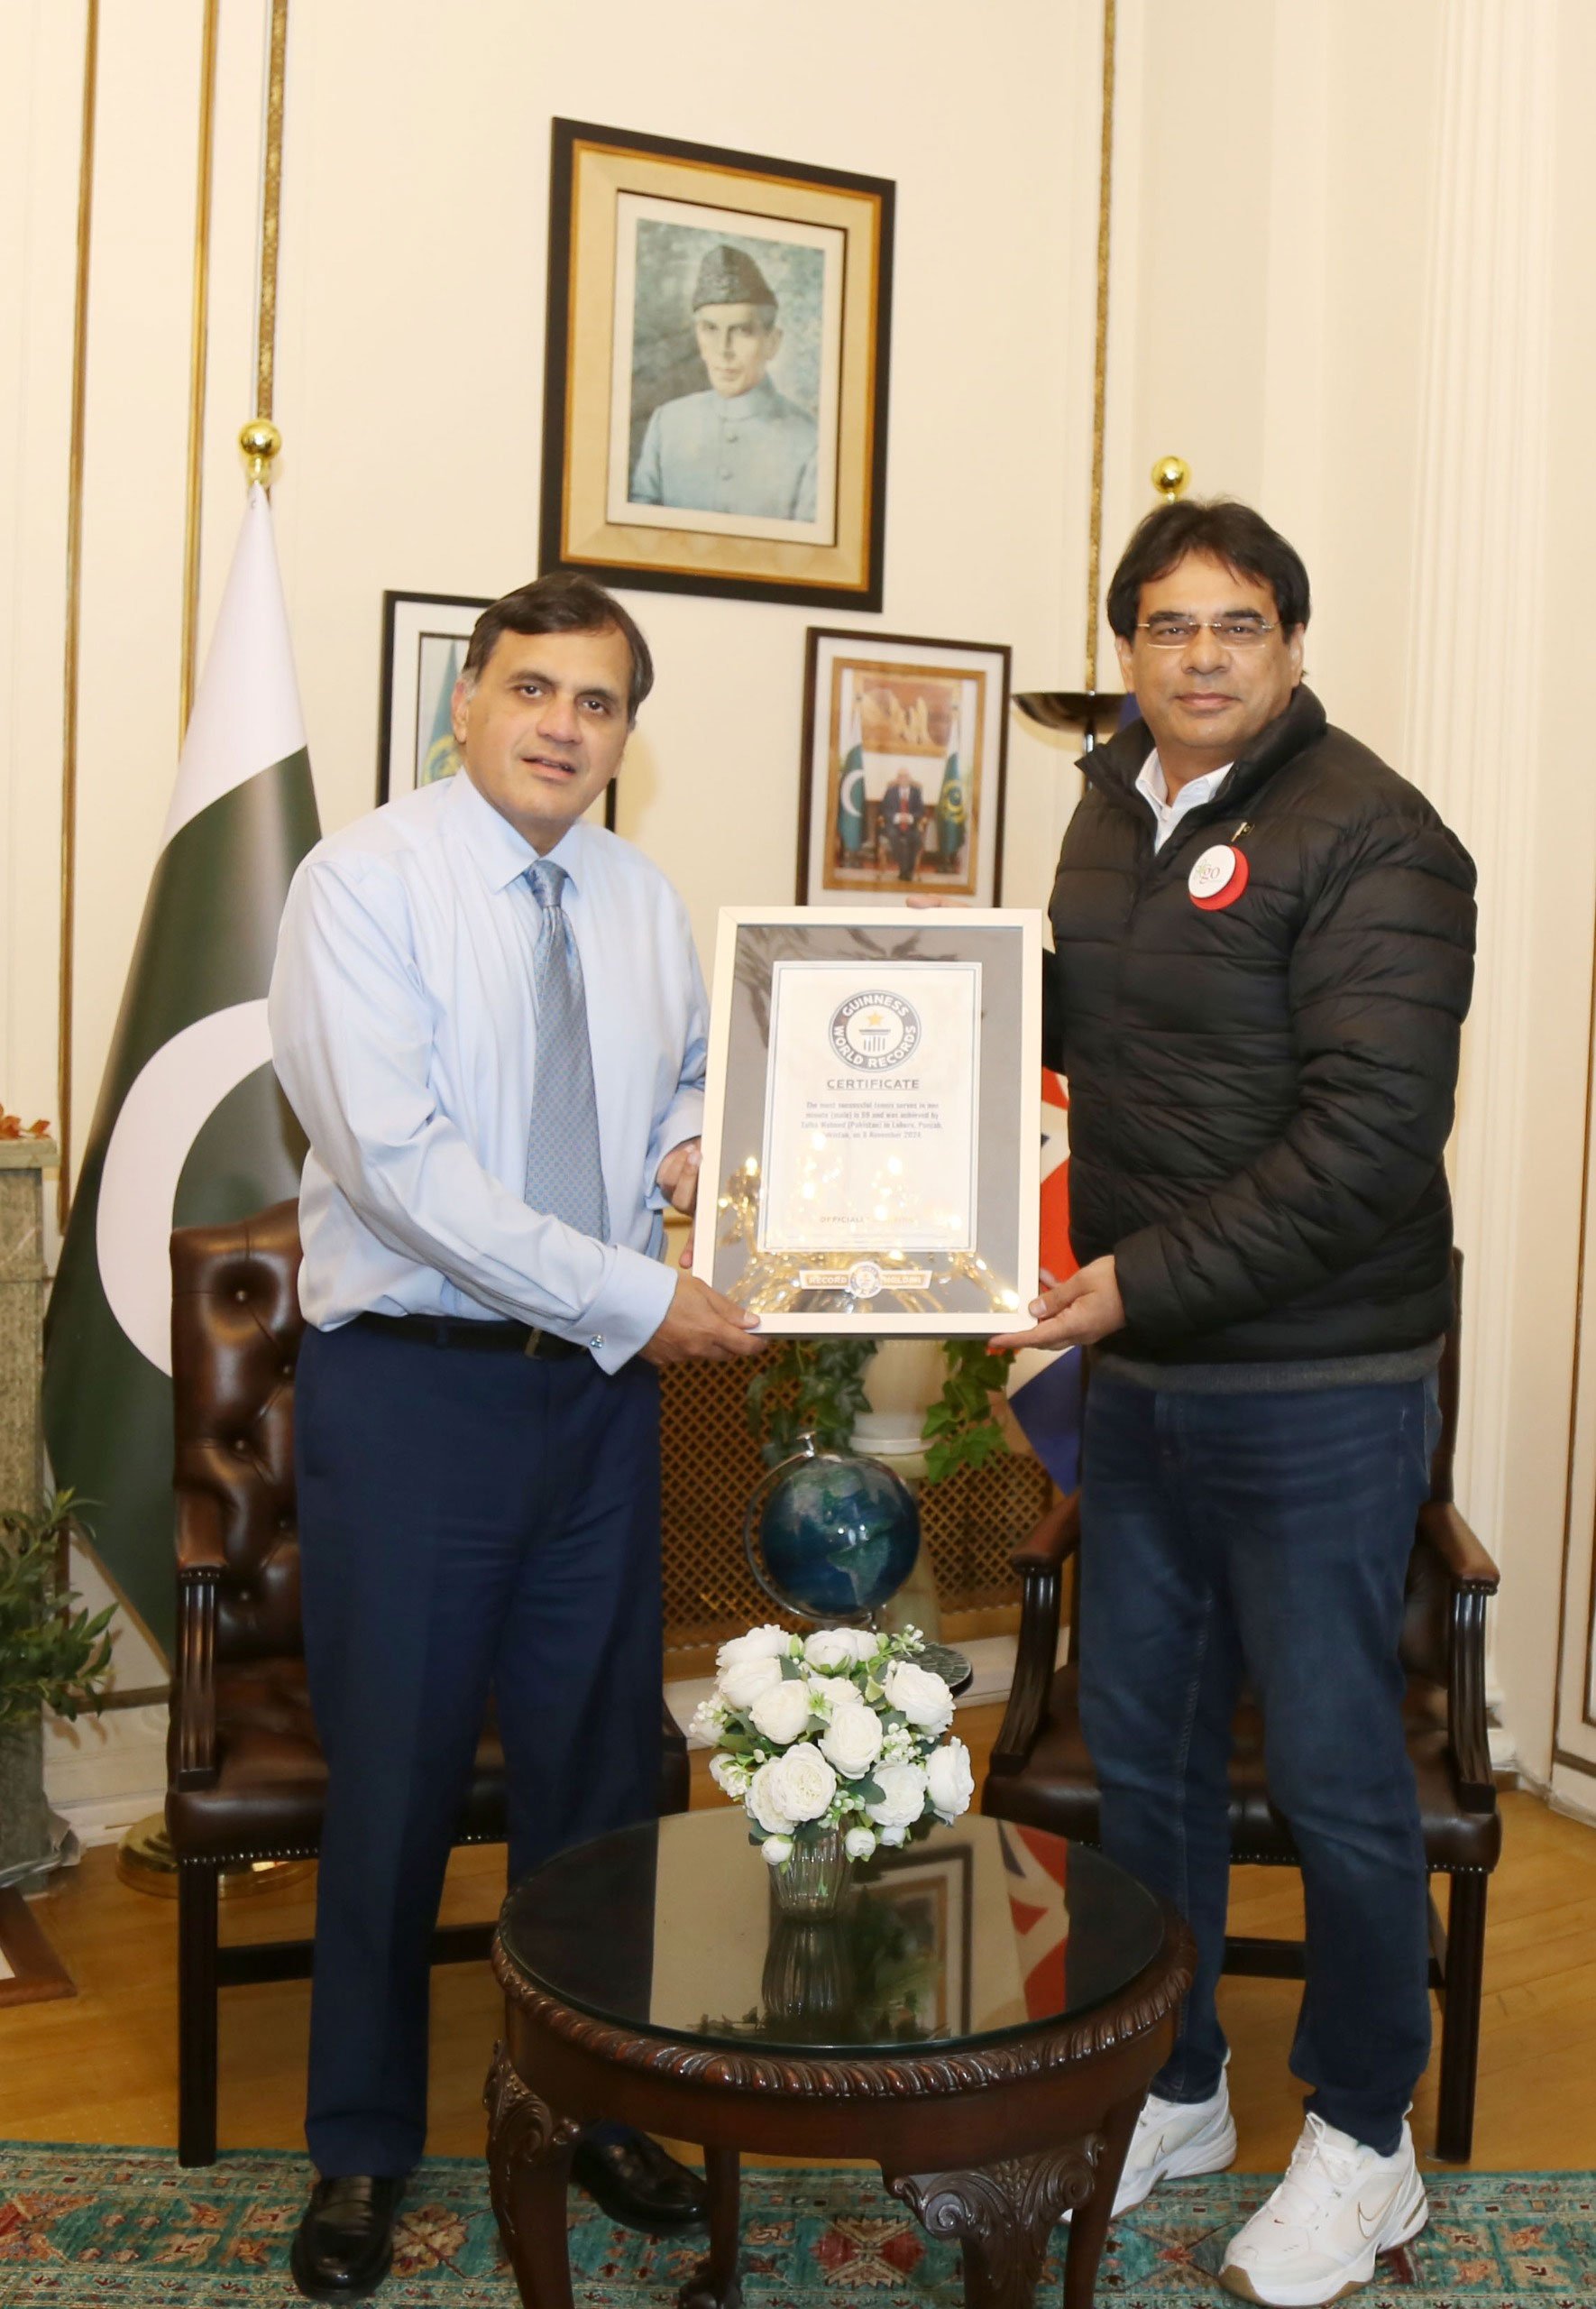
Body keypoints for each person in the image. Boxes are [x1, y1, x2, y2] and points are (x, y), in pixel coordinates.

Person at [993, 499, 1476, 2308]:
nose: (1202, 655)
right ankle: (1178, 2085)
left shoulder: (1377, 833)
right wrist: (878, 1036)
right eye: (1168, 625)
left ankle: (1363, 2136)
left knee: (1342, 1777)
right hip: (1149, 1382)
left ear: (1291, 642)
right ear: (1126, 645)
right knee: (1149, 1760)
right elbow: (1092, 1034)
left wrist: (1134, 1284)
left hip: (1319, 1382)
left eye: (1240, 623)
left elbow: (1368, 1140)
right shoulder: (1107, 808)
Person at [269, 573, 762, 2301]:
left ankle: (591, 2099)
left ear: (628, 734)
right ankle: (360, 2147)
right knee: (395, 1788)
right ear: (465, 701)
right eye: (533, 689)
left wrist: (692, 1149)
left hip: (596, 1404)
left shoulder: (640, 900)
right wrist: (638, 1294)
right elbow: (408, 1175)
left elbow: (685, 1077)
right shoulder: (362, 886)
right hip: (417, 1392)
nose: (563, 725)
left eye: (599, 702)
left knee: (597, 1779)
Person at [630, 242, 819, 522]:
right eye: (710, 329)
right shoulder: (667, 423)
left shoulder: (811, 442)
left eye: (742, 331)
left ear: (772, 342)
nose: (723, 349)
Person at [878, 768, 928, 882]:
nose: (903, 779)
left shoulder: (916, 792)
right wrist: (898, 817)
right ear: (897, 779)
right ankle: (904, 870)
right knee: (893, 836)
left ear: (910, 778)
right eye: (900, 776)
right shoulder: (890, 791)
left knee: (916, 838)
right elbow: (884, 810)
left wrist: (910, 817)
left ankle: (907, 871)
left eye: (906, 776)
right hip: (894, 826)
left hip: (911, 826)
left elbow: (921, 811)